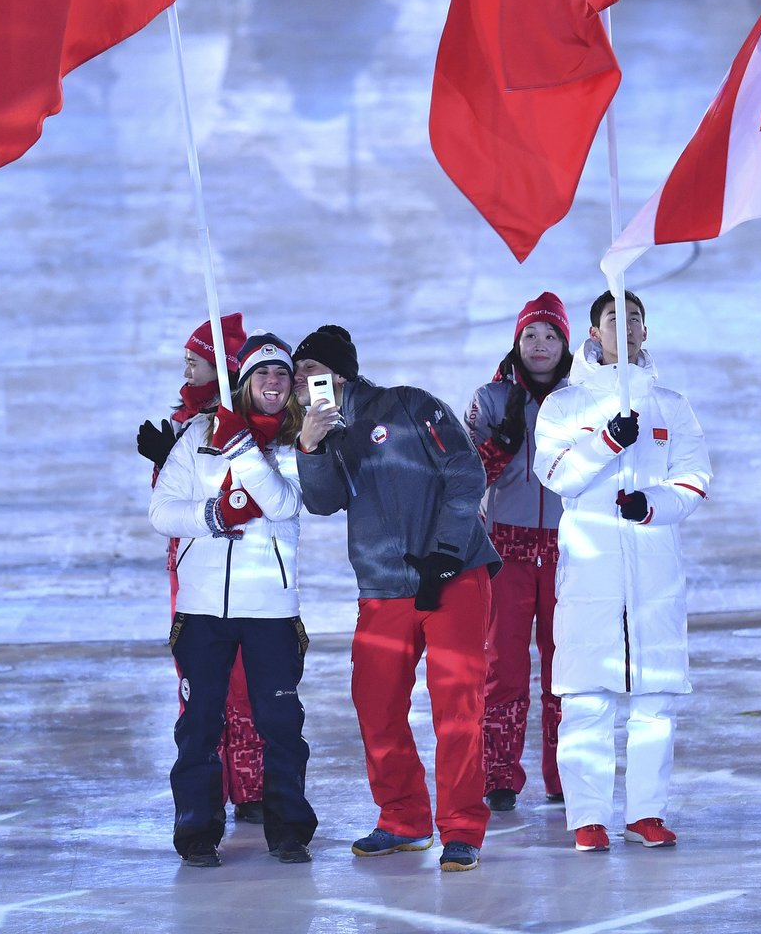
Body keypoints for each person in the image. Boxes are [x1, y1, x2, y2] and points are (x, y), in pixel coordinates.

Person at [293, 325, 500, 873]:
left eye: (310, 374)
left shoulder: (409, 405)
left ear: (339, 374)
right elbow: (322, 502)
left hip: (453, 577)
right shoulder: (327, 436)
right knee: (376, 703)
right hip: (384, 587)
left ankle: (461, 828)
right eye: (297, 379)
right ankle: (404, 820)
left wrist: (448, 551)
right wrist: (310, 447)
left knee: (458, 707)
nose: (301, 387)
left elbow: (465, 471)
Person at [534, 290, 711, 852]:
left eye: (635, 318)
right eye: (615, 318)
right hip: (592, 575)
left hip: (655, 576)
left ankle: (645, 814)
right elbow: (557, 475)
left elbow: (695, 476)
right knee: (587, 698)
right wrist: (608, 440)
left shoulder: (671, 404)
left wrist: (654, 504)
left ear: (645, 331)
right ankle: (588, 816)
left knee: (654, 702)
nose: (627, 326)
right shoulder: (564, 406)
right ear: (595, 333)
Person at [149, 331, 318, 868]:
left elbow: (285, 504)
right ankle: (196, 831)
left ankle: (288, 828)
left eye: (282, 374)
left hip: (271, 609)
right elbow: (161, 511)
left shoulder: (297, 440)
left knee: (280, 723)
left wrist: (242, 449)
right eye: (261, 373)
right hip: (202, 609)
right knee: (199, 723)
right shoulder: (200, 433)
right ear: (242, 383)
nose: (273, 381)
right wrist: (212, 516)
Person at [137, 313, 266, 824]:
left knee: (245, 681)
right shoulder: (180, 422)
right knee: (199, 682)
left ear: (222, 369)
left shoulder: (250, 422)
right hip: (188, 569)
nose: (185, 371)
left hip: (244, 569)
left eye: (195, 362)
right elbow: (166, 507)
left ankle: (253, 788)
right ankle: (206, 793)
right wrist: (164, 460)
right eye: (186, 362)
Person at [465, 292, 572, 812]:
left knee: (565, 666)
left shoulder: (584, 397)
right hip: (504, 548)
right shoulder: (488, 400)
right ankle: (500, 774)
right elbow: (464, 482)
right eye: (531, 334)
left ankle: (564, 774)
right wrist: (500, 444)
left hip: (567, 550)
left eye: (551, 335)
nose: (540, 344)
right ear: (517, 340)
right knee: (503, 666)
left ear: (566, 343)